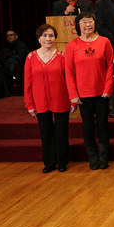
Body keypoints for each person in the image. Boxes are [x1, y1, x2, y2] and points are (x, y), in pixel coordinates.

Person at [65, 12, 114, 170]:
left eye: (90, 21)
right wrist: (73, 95)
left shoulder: (104, 42)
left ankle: (104, 157)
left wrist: (108, 89)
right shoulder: (72, 45)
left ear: (95, 23)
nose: (88, 25)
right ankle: (92, 158)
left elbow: (110, 66)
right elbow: (68, 71)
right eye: (84, 22)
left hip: (102, 93)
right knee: (87, 127)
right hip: (82, 94)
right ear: (78, 26)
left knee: (102, 125)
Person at [24, 24, 74, 173]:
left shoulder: (62, 56)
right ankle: (49, 163)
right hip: (40, 101)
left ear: (55, 38)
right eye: (44, 35)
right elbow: (27, 83)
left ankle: (62, 162)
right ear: (39, 38)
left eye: (51, 35)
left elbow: (69, 79)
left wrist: (73, 100)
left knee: (61, 132)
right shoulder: (31, 57)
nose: (48, 38)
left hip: (61, 99)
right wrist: (30, 103)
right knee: (45, 133)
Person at [0, 30, 30, 96]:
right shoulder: (6, 48)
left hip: (21, 69)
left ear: (16, 36)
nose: (9, 37)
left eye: (11, 35)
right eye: (7, 36)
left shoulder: (21, 46)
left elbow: (20, 58)